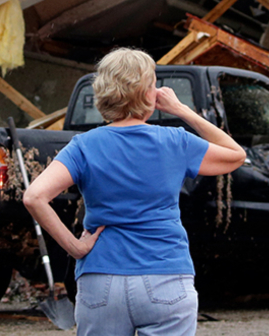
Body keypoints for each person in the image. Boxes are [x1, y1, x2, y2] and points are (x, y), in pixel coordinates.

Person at [22, 48, 246, 336]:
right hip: (165, 275)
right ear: (148, 93)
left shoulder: (84, 145)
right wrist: (181, 110)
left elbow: (34, 197)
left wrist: (75, 247)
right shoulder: (174, 141)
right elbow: (235, 155)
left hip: (101, 280)